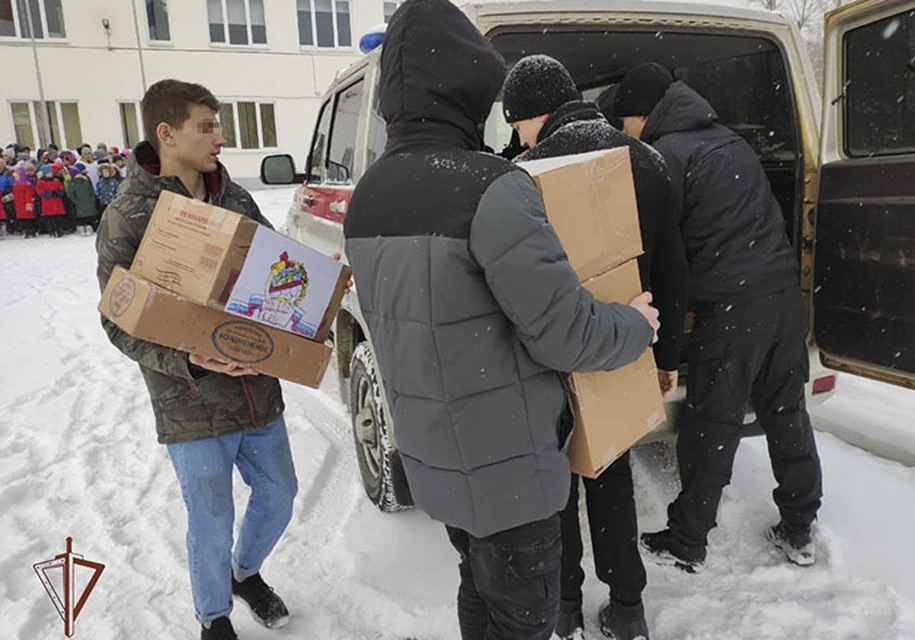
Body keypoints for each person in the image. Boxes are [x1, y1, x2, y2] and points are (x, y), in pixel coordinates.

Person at [343, 2, 661, 639]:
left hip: (438, 463)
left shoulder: (367, 197)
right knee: (523, 617)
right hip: (510, 474)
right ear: (466, 86)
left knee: (476, 584)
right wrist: (634, 324)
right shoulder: (491, 186)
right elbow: (566, 333)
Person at [96, 79, 299, 640]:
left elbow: (274, 275)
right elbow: (118, 318)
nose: (221, 137)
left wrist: (306, 286)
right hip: (190, 400)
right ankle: (213, 615)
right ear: (167, 134)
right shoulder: (129, 216)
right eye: (206, 127)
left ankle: (245, 572)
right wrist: (193, 359)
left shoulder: (236, 200)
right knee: (211, 517)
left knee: (280, 494)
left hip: (256, 389)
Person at [500, 55, 688, 640]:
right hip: (629, 338)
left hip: (551, 352)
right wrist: (667, 356)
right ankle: (628, 607)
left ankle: (563, 607)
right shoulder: (649, 160)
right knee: (610, 469)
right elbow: (673, 267)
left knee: (557, 478)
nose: (516, 138)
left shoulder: (526, 172)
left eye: (517, 124)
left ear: (535, 116)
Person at [614, 63, 823, 572]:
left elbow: (659, 249)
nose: (622, 134)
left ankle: (687, 542)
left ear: (641, 116)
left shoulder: (665, 156)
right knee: (787, 414)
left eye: (623, 123)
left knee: (712, 425)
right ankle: (799, 528)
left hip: (732, 311)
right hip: (781, 298)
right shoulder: (731, 141)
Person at [68, 162, 100, 234]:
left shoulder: (85, 181)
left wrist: (92, 198)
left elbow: (91, 190)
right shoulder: (72, 184)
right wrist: (76, 201)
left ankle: (90, 226)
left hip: (88, 201)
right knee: (81, 215)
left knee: (90, 214)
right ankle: (82, 226)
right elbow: (71, 194)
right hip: (80, 203)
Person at [36, 164, 67, 237]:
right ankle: (52, 230)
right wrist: (49, 194)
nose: (51, 174)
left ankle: (59, 229)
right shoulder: (40, 182)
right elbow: (40, 192)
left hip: (57, 202)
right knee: (50, 218)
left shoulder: (56, 181)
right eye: (48, 173)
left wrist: (59, 193)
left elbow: (61, 188)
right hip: (48, 203)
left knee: (58, 218)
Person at [12, 163, 38, 238]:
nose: (15, 177)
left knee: (29, 219)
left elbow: (29, 195)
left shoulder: (27, 185)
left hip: (26, 204)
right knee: (23, 219)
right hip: (19, 204)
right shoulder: (16, 185)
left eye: (16, 175)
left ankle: (31, 231)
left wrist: (29, 203)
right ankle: (26, 230)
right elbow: (14, 193)